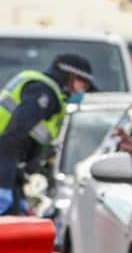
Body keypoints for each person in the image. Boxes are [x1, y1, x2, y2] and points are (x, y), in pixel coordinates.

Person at [0, 54, 95, 215]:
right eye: (82, 83)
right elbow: (13, 136)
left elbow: (34, 143)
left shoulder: (51, 93)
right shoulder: (43, 92)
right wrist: (4, 185)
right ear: (70, 76)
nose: (82, 90)